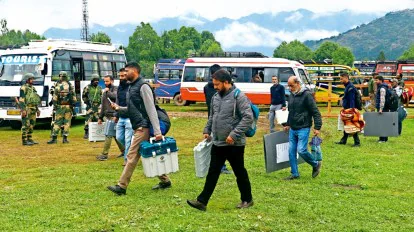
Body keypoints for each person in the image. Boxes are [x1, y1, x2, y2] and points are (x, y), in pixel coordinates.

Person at [187, 69, 254, 211]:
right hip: (218, 142)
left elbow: (248, 118)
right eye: (214, 84)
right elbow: (212, 116)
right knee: (213, 171)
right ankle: (202, 201)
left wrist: (234, 135)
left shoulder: (239, 97)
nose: (215, 87)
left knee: (239, 172)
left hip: (234, 144)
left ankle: (247, 199)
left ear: (226, 82)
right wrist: (207, 130)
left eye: (217, 84)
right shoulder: (216, 97)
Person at [107, 62, 172, 195]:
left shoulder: (143, 86)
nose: (124, 74)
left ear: (135, 71)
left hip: (144, 127)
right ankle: (165, 181)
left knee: (131, 155)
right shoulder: (132, 86)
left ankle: (121, 186)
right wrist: (119, 109)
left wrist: (158, 131)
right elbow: (133, 110)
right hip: (140, 126)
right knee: (150, 155)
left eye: (127, 71)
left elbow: (151, 109)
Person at [283, 76, 322, 180]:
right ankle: (294, 173)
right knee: (291, 151)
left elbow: (315, 112)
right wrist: (287, 124)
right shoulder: (291, 95)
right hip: (293, 128)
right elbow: (290, 111)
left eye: (291, 85)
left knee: (301, 150)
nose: (290, 88)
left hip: (304, 127)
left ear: (298, 83)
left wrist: (317, 127)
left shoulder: (307, 95)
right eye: (289, 86)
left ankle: (315, 164)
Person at [203, 64, 232, 175]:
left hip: (211, 117)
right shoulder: (222, 88)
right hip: (222, 118)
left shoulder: (206, 87)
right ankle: (221, 166)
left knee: (216, 142)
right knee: (220, 143)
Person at [96, 75, 125, 161]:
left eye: (107, 81)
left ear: (112, 81)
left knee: (108, 134)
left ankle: (104, 154)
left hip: (114, 115)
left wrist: (107, 92)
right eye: (104, 81)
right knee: (115, 135)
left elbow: (115, 96)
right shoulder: (105, 91)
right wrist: (100, 117)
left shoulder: (116, 89)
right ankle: (124, 150)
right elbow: (103, 106)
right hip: (107, 115)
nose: (105, 83)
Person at [47, 71, 77, 144]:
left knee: (57, 122)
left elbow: (54, 98)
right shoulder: (70, 86)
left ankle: (54, 138)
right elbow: (74, 99)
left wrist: (56, 106)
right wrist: (72, 105)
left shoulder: (57, 87)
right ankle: (65, 138)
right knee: (67, 122)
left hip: (60, 106)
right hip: (68, 106)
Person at [335, 72, 361, 147]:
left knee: (352, 125)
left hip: (350, 109)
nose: (340, 80)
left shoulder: (350, 87)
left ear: (346, 78)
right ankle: (343, 140)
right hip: (347, 108)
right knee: (347, 124)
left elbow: (352, 99)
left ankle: (357, 142)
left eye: (341, 78)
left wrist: (351, 110)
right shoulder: (348, 86)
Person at [115, 68, 133, 166]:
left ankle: (127, 159)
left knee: (128, 139)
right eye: (120, 76)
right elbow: (118, 101)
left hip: (130, 117)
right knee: (119, 137)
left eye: (123, 76)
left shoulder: (131, 87)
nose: (121, 78)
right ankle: (132, 150)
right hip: (121, 117)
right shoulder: (120, 87)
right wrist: (116, 114)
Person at [19, 73, 41, 146]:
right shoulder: (23, 88)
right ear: (27, 80)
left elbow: (35, 99)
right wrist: (23, 110)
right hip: (27, 108)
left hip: (33, 108)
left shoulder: (33, 88)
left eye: (33, 79)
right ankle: (24, 140)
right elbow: (21, 100)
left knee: (32, 124)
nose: (32, 80)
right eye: (31, 79)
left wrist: (37, 109)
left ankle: (29, 138)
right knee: (26, 124)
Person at [82, 74, 102, 139]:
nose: (96, 82)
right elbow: (84, 96)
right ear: (92, 80)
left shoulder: (99, 88)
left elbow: (101, 95)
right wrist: (87, 102)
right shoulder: (87, 87)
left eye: (97, 80)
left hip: (98, 106)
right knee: (88, 119)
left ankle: (98, 132)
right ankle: (86, 133)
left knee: (98, 118)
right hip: (90, 105)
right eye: (95, 80)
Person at [375, 75, 390, 143]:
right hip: (385, 108)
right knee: (383, 123)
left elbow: (382, 99)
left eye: (377, 80)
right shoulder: (383, 87)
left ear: (380, 80)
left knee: (382, 123)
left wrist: (381, 108)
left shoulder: (382, 88)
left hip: (383, 108)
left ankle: (382, 139)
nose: (376, 81)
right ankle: (384, 138)